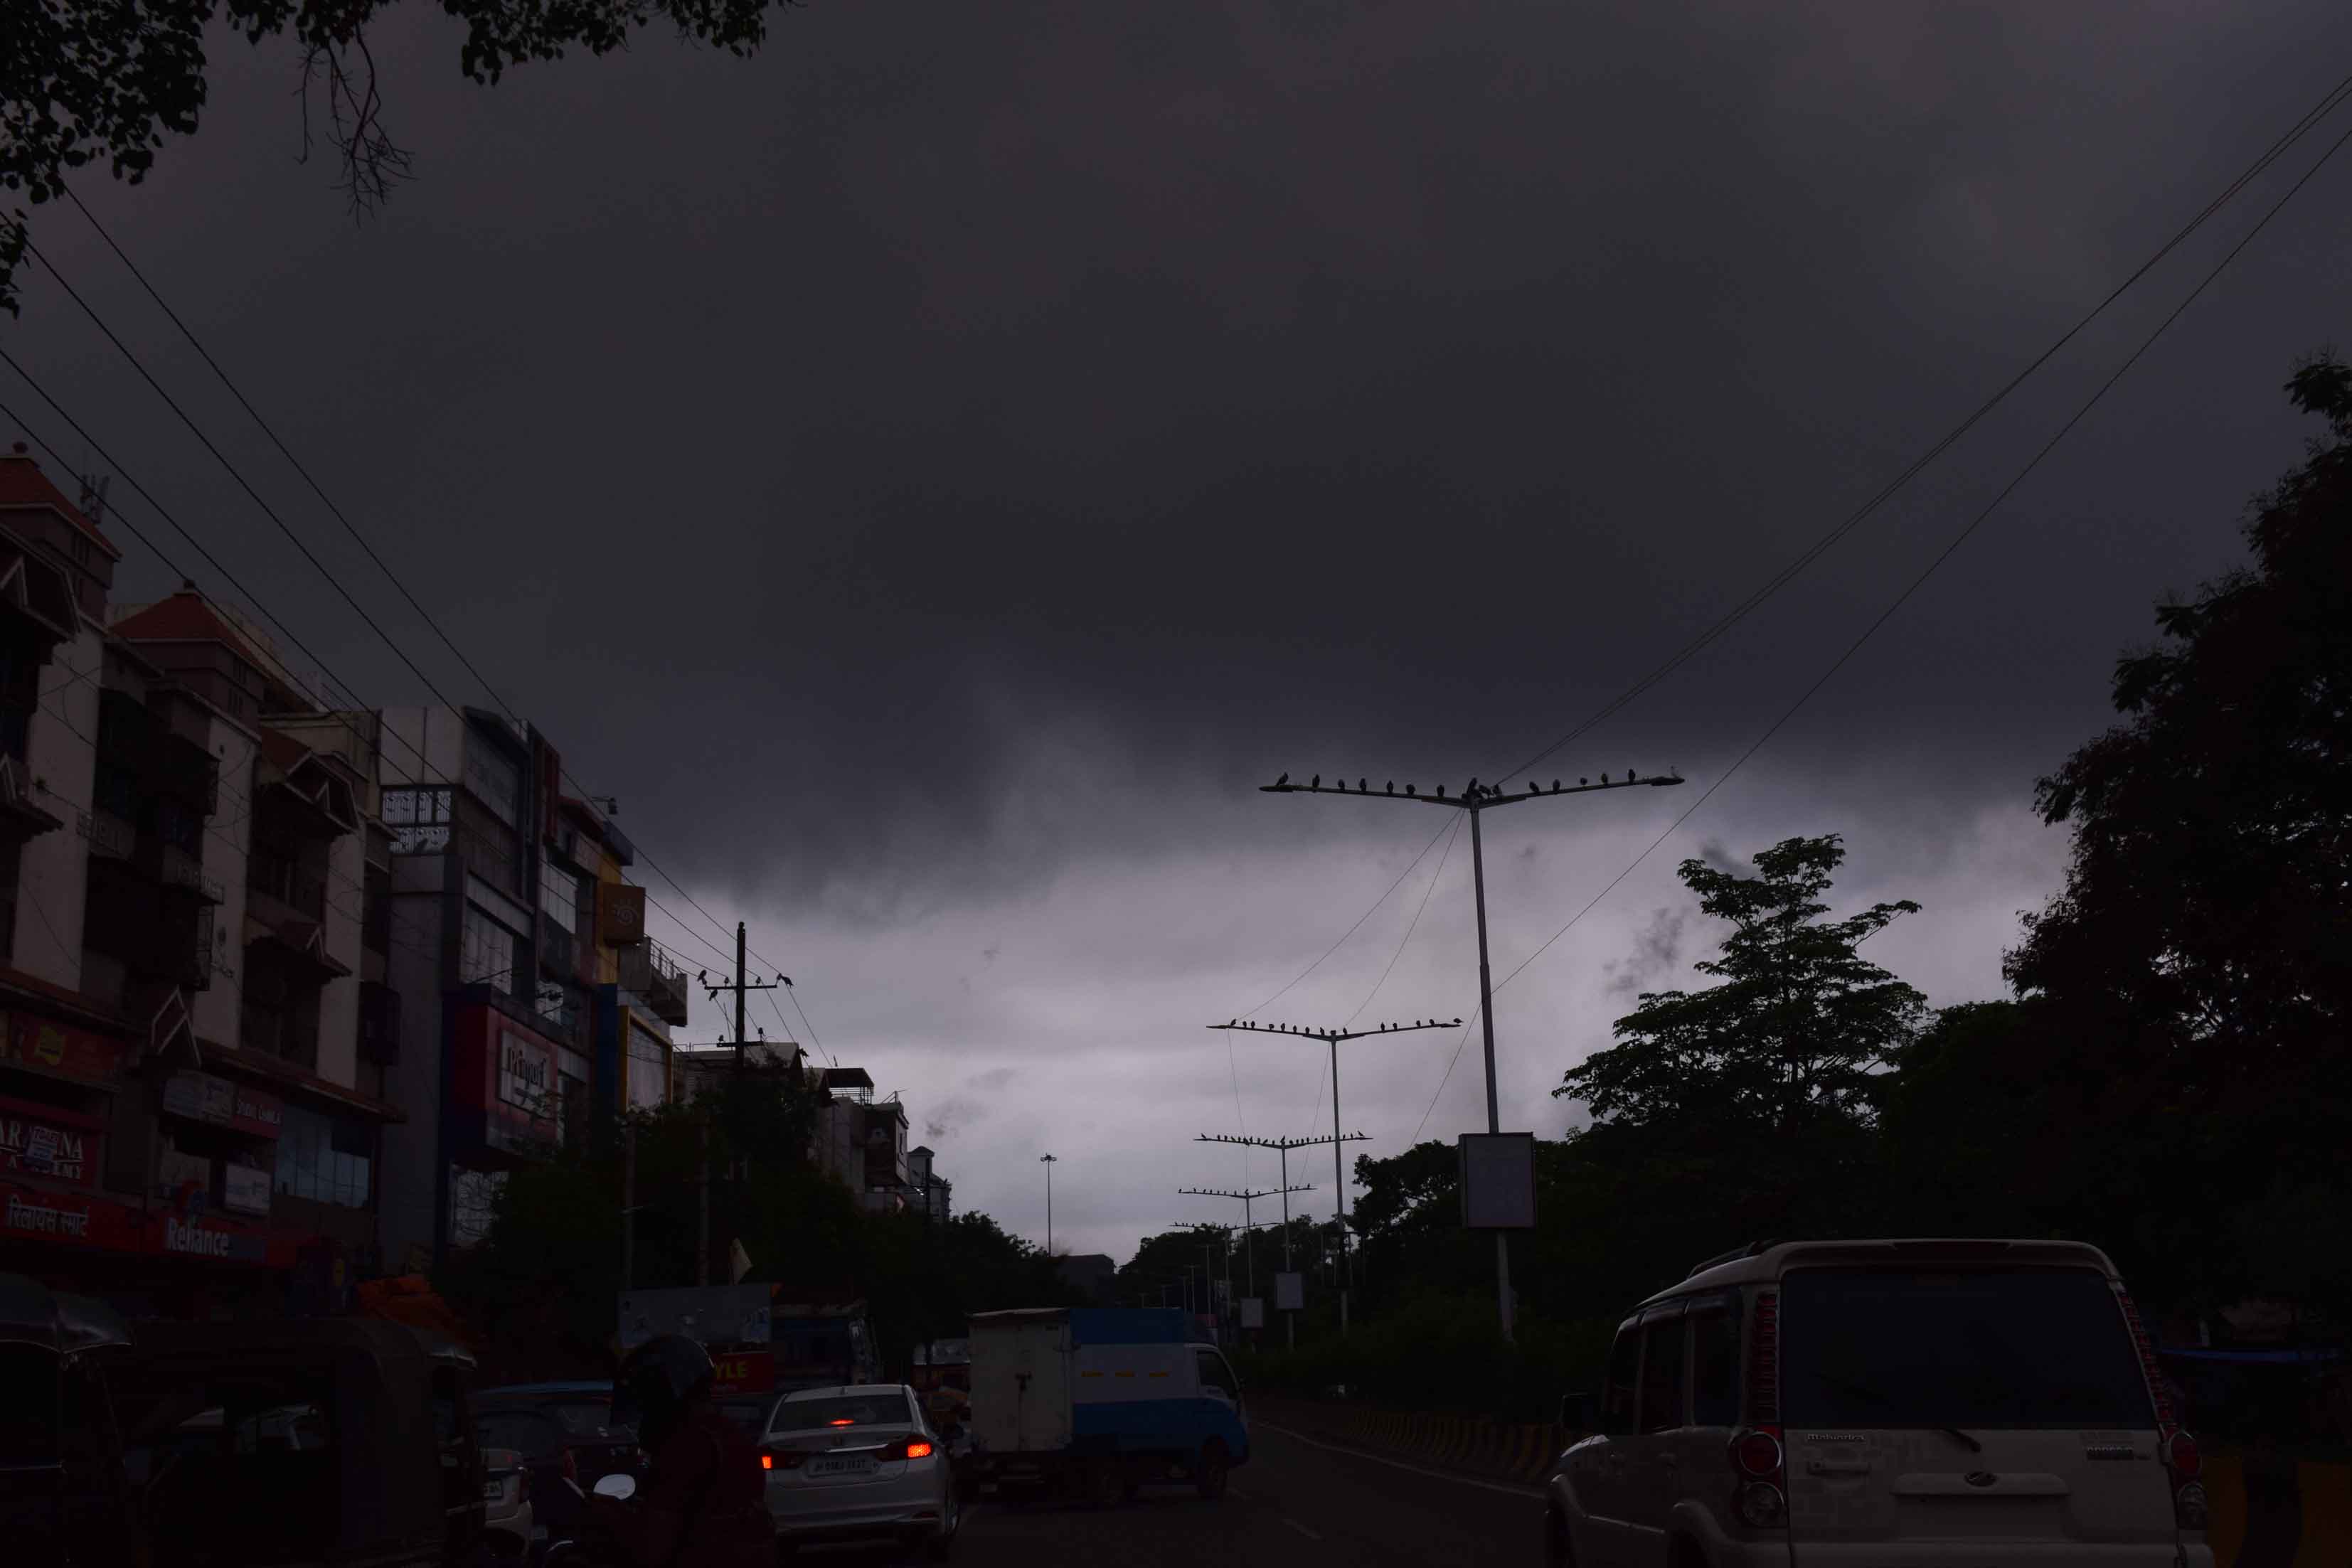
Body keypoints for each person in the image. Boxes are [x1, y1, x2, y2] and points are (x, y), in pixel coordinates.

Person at [585, 1335, 775, 1568]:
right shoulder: (732, 1436)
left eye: (647, 1400)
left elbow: (654, 1548)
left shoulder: (687, 1448)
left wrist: (611, 1517)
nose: (645, 1416)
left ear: (664, 1394)